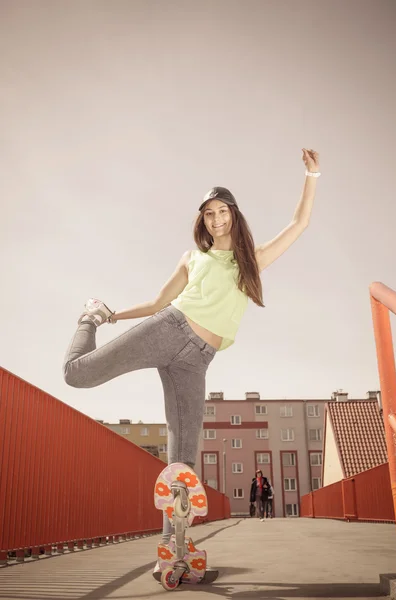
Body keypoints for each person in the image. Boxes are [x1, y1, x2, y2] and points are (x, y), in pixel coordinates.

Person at [63, 149, 320, 547]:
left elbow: (299, 223)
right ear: (203, 219)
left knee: (182, 458)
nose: (216, 220)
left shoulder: (248, 261)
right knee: (77, 375)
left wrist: (312, 174)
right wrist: (107, 316)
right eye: (208, 214)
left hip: (197, 361)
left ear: (234, 213)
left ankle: (174, 546)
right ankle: (87, 319)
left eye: (222, 211)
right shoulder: (192, 258)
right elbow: (156, 304)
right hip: (169, 328)